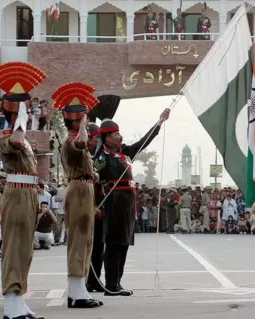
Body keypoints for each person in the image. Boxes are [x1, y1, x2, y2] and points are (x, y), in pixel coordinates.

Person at [0, 61, 47, 319]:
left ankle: (19, 299)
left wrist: (23, 116)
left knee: (25, 248)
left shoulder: (25, 141)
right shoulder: (8, 139)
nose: (31, 109)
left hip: (29, 195)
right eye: (26, 106)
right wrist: (20, 117)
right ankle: (11, 303)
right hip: (17, 193)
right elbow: (16, 140)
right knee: (13, 247)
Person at [93, 108, 170, 296]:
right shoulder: (102, 158)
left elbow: (143, 142)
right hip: (113, 202)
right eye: (116, 134)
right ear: (108, 138)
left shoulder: (125, 153)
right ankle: (110, 285)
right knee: (113, 243)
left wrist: (159, 122)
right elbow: (95, 183)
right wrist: (95, 204)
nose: (120, 136)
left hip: (128, 203)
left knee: (124, 243)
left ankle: (117, 283)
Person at [53, 82, 103, 308]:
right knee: (78, 240)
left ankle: (79, 287)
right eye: (85, 118)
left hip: (84, 188)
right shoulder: (72, 140)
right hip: (79, 190)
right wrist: (83, 122)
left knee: (86, 240)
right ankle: (75, 290)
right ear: (76, 120)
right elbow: (82, 141)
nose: (89, 122)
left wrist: (92, 175)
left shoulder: (76, 141)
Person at [85, 122, 106, 293]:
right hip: (86, 206)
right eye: (96, 137)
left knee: (99, 246)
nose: (98, 141)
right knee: (85, 246)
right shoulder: (82, 155)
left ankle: (95, 279)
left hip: (99, 207)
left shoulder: (100, 157)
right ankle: (83, 280)